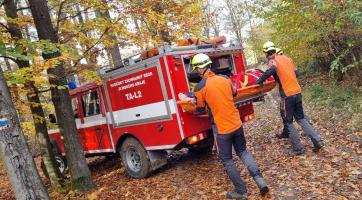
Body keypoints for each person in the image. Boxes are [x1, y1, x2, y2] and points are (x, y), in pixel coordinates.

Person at [192, 53, 269, 199]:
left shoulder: (200, 87)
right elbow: (233, 94)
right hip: (236, 123)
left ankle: (241, 191)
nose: (196, 71)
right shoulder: (225, 79)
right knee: (243, 152)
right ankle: (260, 181)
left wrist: (194, 102)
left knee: (227, 160)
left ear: (201, 68)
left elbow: (200, 108)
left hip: (222, 130)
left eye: (196, 69)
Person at [256, 41, 323, 155]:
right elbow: (297, 73)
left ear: (267, 53)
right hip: (297, 92)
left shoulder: (273, 61)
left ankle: (298, 148)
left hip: (287, 95)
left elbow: (271, 71)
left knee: (288, 121)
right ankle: (317, 141)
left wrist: (260, 81)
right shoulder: (288, 58)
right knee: (301, 118)